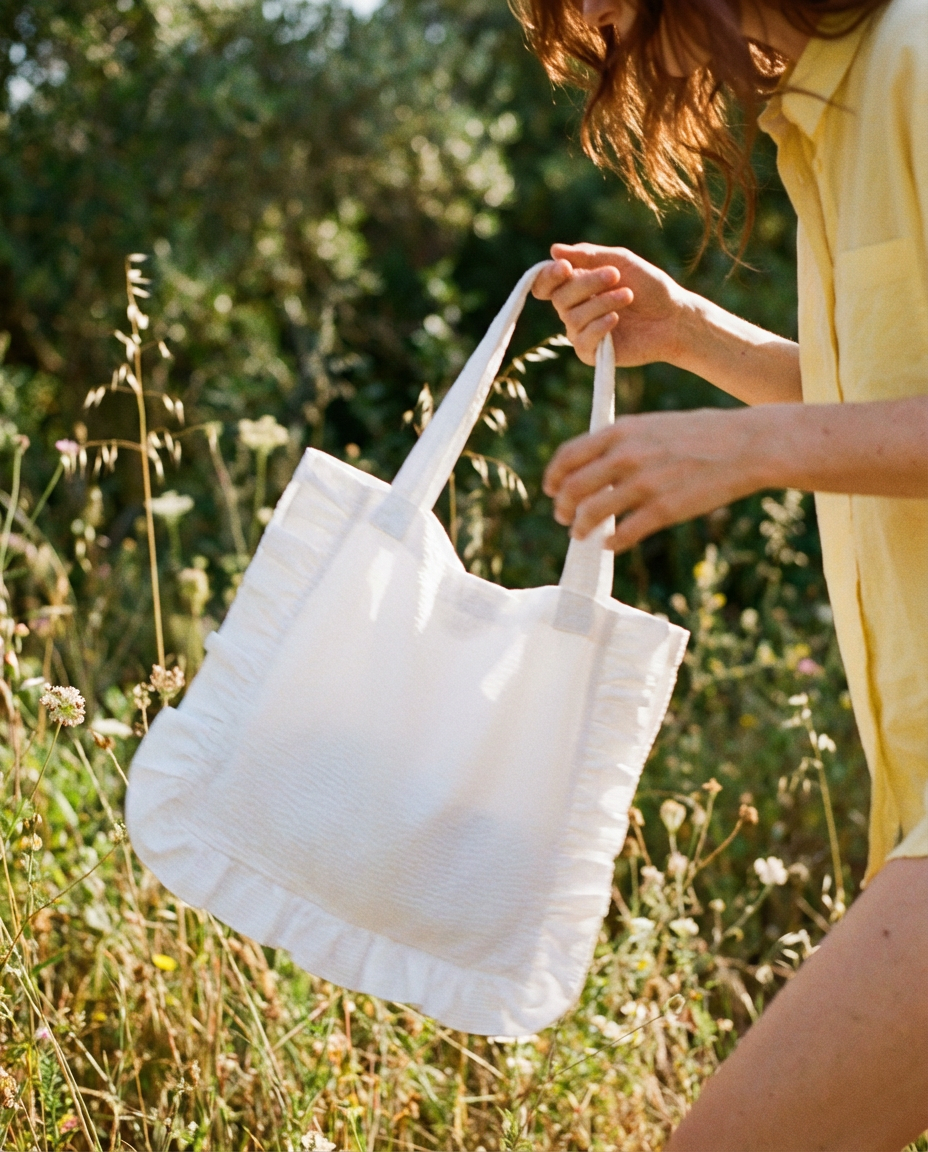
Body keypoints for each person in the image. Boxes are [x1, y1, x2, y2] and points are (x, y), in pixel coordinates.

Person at [515, 0, 928, 1147]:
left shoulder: (918, 61)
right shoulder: (820, 126)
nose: (590, 28)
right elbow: (879, 403)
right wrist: (696, 335)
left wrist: (745, 449)